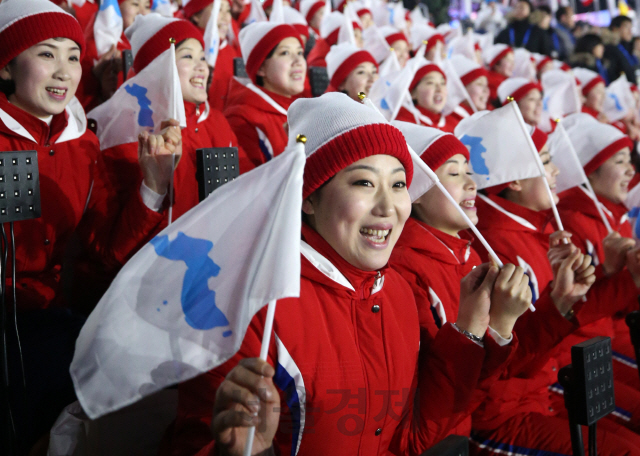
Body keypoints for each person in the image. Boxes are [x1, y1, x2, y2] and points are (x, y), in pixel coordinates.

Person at [165, 91, 517, 456]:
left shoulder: (395, 291)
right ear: (308, 198)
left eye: (398, 185)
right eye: (363, 183)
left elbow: (409, 438)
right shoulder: (250, 304)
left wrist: (481, 330)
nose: (387, 207)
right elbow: (197, 441)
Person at [455, 115, 640, 454]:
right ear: (514, 181)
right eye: (545, 162)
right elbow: (514, 356)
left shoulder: (539, 233)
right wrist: (620, 282)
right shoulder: (493, 247)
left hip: (542, 388)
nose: (557, 171)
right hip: (507, 408)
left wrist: (608, 276)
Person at [76, 14, 241, 309]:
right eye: (188, 56)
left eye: (203, 56)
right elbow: (108, 254)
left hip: (206, 289)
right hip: (142, 301)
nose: (203, 65)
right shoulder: (121, 135)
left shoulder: (218, 123)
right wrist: (153, 188)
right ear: (157, 68)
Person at [390, 121, 531, 440]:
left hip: (465, 429)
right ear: (418, 194)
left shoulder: (472, 254)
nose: (471, 183)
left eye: (469, 171)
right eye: (453, 173)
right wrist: (499, 325)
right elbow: (434, 389)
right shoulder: (404, 268)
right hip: (442, 435)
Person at [0, 0, 98, 450]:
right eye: (46, 53)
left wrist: (151, 190)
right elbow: (21, 264)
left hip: (63, 330)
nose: (64, 71)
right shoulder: (9, 146)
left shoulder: (83, 143)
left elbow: (103, 247)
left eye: (73, 56)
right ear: (7, 67)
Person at [559, 113, 640, 390]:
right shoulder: (569, 222)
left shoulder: (613, 214)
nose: (631, 170)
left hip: (611, 332)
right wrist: (631, 277)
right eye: (620, 162)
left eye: (629, 160)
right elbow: (576, 312)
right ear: (588, 172)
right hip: (581, 349)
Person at [224, 21, 305, 173]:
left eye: (300, 52)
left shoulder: (302, 110)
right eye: (285, 53)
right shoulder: (241, 119)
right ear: (261, 67)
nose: (298, 61)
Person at [76, 0, 152, 111]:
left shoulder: (143, 44)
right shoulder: (97, 46)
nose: (142, 12)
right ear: (115, 6)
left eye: (147, 6)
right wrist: (96, 78)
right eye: (135, 4)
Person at [395, 63, 457, 132]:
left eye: (442, 83)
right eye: (431, 83)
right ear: (412, 93)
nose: (440, 89)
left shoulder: (454, 124)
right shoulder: (404, 125)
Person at [449, 55, 490, 123]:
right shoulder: (454, 120)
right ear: (461, 88)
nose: (486, 91)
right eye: (480, 84)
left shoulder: (473, 117)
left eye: (486, 85)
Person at [605, 15, 638, 85]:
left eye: (631, 28)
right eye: (626, 27)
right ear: (615, 29)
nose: (630, 32)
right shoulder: (610, 48)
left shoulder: (627, 47)